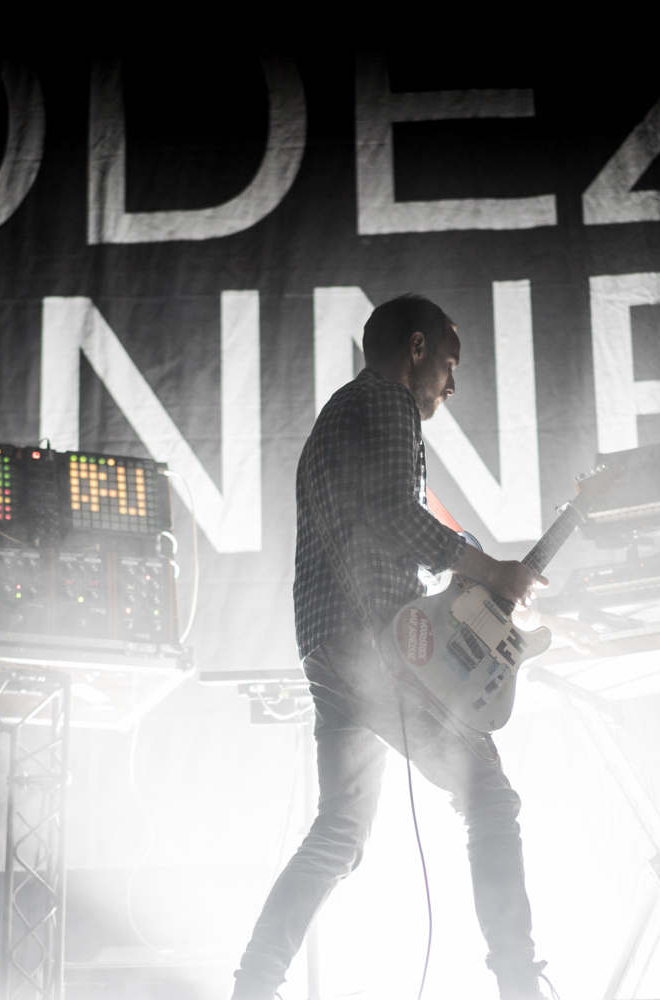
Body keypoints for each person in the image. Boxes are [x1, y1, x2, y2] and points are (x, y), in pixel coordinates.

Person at [230, 294, 554, 1000]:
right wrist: (491, 571)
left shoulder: (340, 414)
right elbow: (391, 515)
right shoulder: (386, 400)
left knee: (340, 833)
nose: (452, 385)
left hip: (331, 649)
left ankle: (252, 985)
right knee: (489, 797)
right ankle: (519, 984)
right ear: (416, 348)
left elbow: (384, 526)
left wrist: (471, 574)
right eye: (449, 364)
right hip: (376, 648)